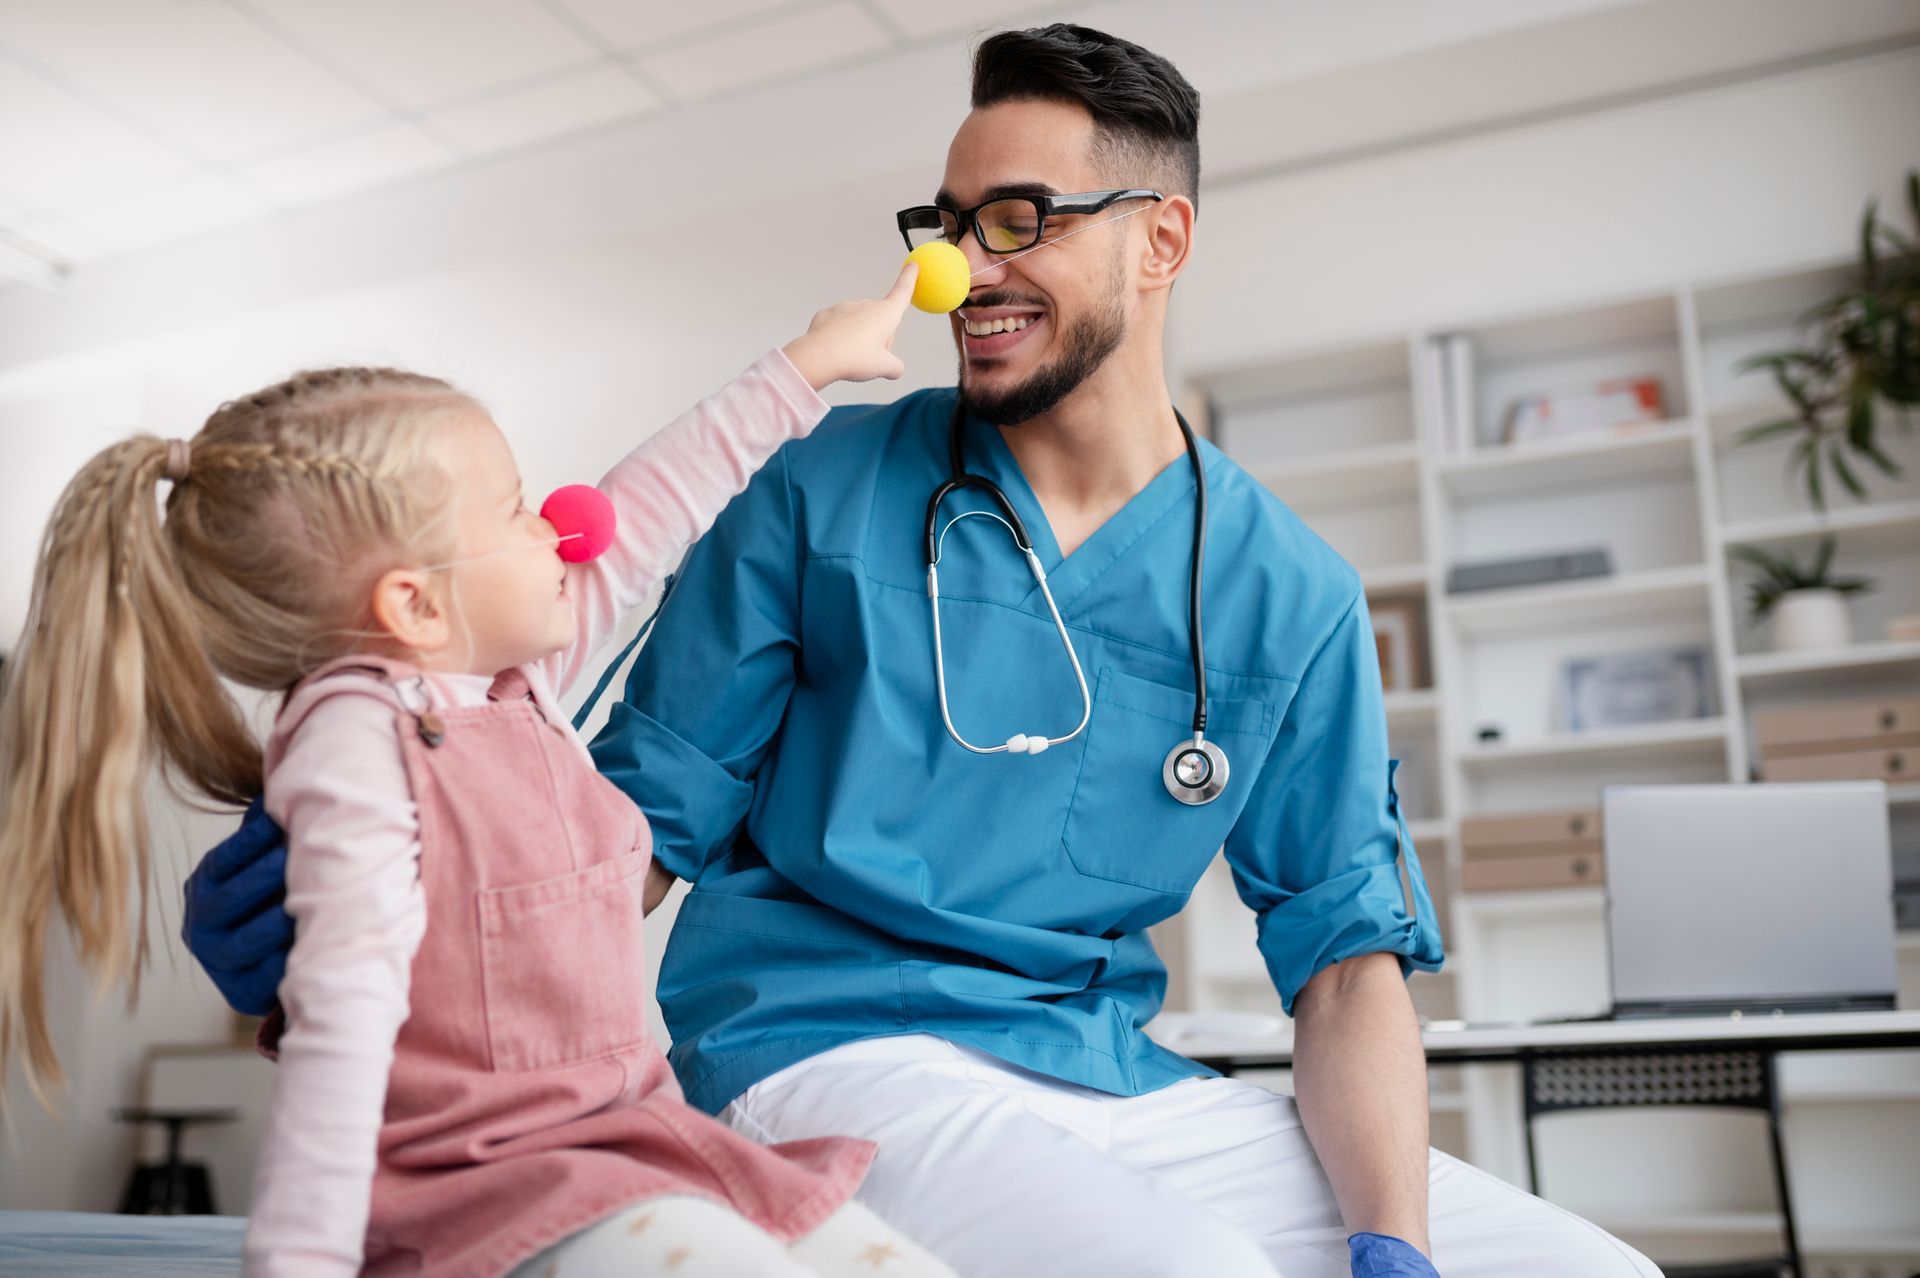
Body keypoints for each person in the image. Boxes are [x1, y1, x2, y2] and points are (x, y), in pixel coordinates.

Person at [183, 23, 1664, 1278]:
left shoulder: (1293, 591)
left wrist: (1389, 1241)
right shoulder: (821, 488)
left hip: (1109, 1074)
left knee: (1596, 1270)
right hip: (817, 1043)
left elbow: (1344, 963)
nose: (966, 263)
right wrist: (362, 935)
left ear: (1163, 239)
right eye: (949, 222)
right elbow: (626, 833)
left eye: (1020, 217)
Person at [0, 268, 962, 1278]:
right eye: (514, 510)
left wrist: (807, 365)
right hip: (482, 1190)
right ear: (414, 607)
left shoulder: (517, 684)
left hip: (631, 1143)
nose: (563, 521)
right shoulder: (358, 742)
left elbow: (648, 508)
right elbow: (341, 1032)